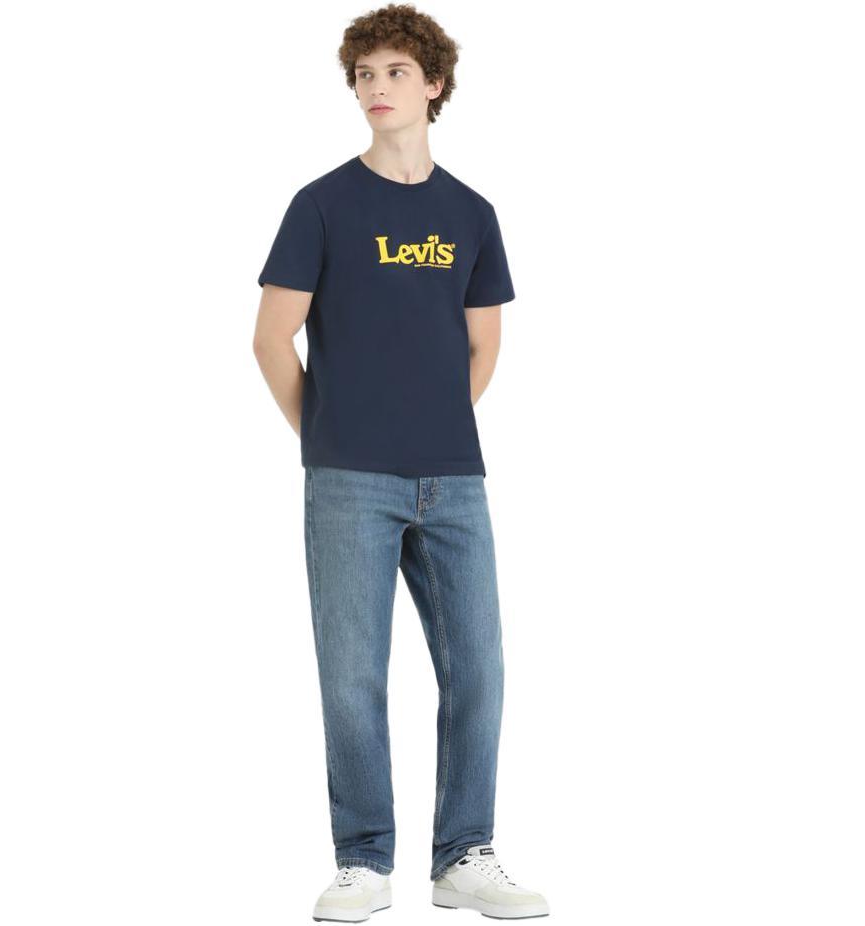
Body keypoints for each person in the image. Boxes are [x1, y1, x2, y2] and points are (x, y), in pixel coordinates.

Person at [253, 4, 549, 921]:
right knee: (353, 678)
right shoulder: (322, 205)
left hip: (454, 479)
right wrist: (328, 434)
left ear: (434, 84)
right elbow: (270, 338)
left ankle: (464, 856)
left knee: (479, 670)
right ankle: (362, 861)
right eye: (363, 75)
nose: (375, 88)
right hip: (347, 479)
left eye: (394, 72)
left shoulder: (472, 213)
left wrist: (430, 423)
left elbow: (483, 346)